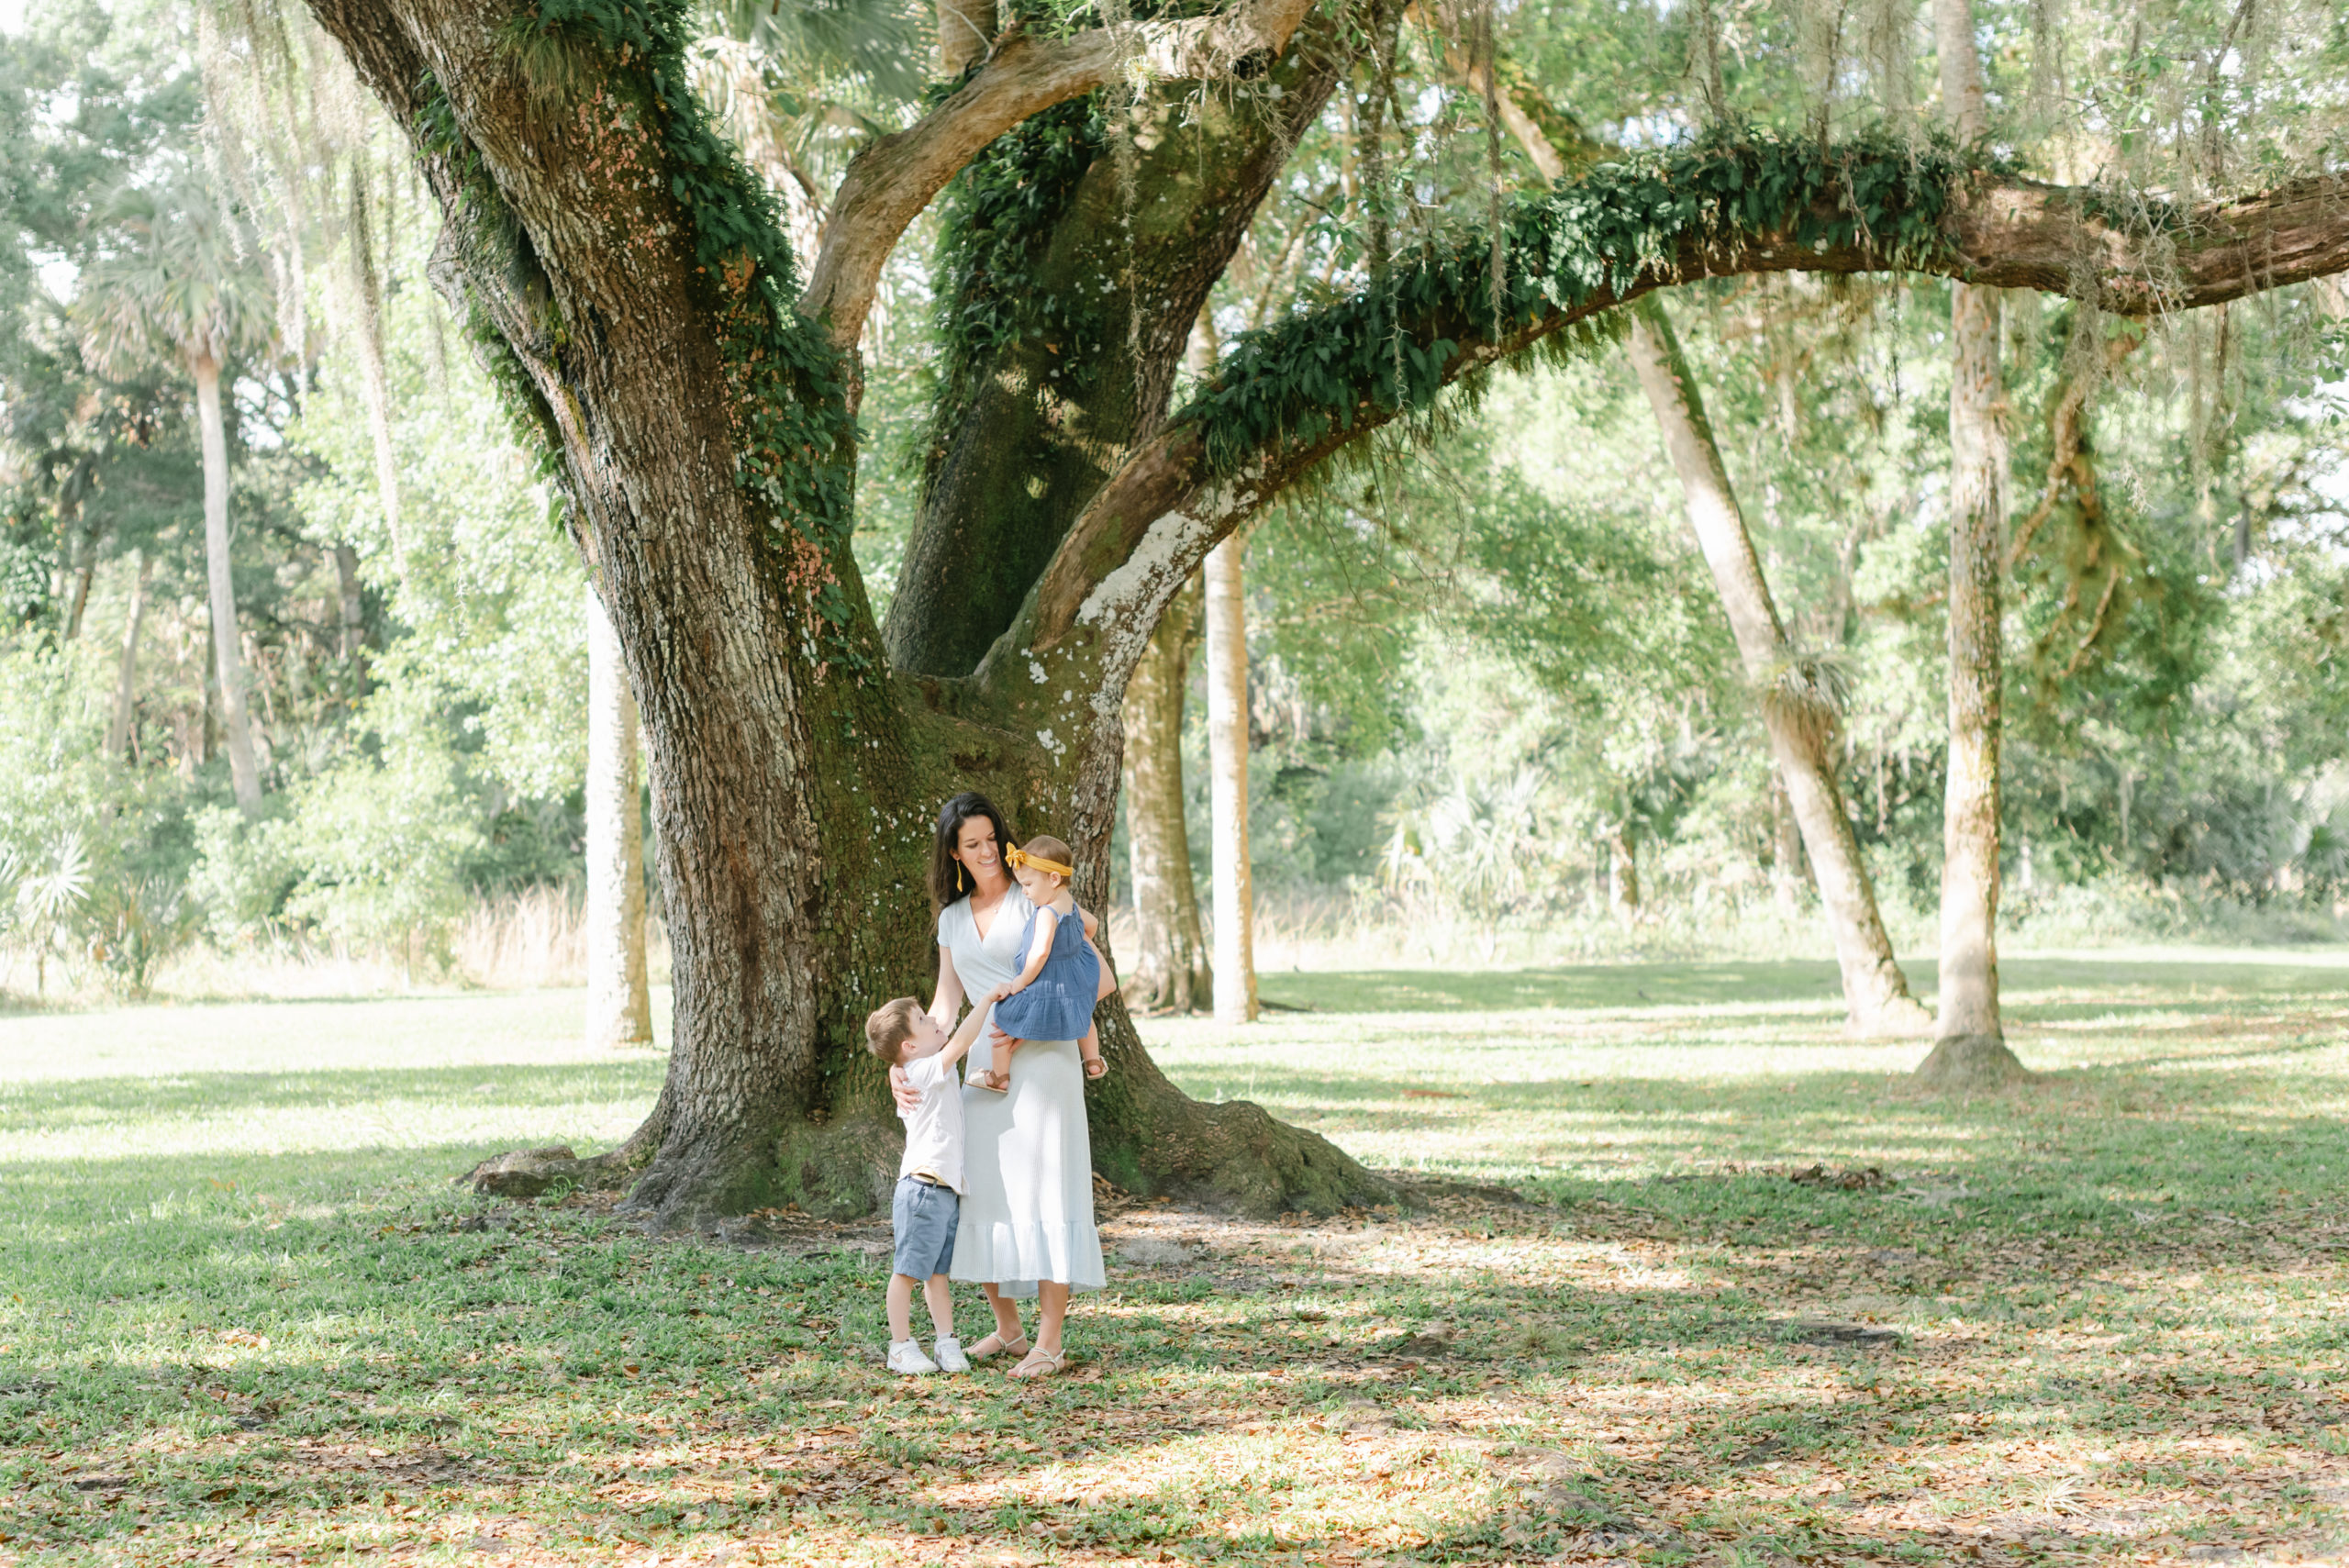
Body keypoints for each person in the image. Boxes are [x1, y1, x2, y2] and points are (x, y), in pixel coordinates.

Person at [906, 792, 1107, 1379]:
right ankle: (1009, 1329)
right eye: (974, 844)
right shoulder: (950, 920)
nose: (989, 851)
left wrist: (1029, 1020)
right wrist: (909, 1062)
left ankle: (1050, 1341)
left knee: (1048, 1193)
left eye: (993, 838)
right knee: (983, 1194)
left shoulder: (1040, 897)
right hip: (981, 1067)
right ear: (955, 853)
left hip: (1044, 1062)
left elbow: (1100, 980)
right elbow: (945, 1007)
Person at [865, 995, 988, 1376]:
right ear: (909, 1046)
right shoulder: (920, 1071)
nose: (933, 1019)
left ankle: (946, 1342)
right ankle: (900, 1346)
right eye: (922, 1019)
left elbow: (951, 1048)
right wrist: (989, 1000)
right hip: (921, 1189)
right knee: (906, 1272)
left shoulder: (927, 1068)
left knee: (937, 1275)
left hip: (943, 1190)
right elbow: (961, 1041)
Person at [972, 835, 1110, 1092]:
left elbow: (1039, 954)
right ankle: (1093, 1062)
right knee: (1083, 1011)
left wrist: (1020, 982)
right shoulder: (1070, 905)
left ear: (1054, 879)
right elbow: (1092, 925)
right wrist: (1071, 946)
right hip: (1074, 978)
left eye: (1027, 884)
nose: (1024, 892)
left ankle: (999, 1076)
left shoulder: (1047, 912)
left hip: (1046, 981)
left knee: (1003, 1019)